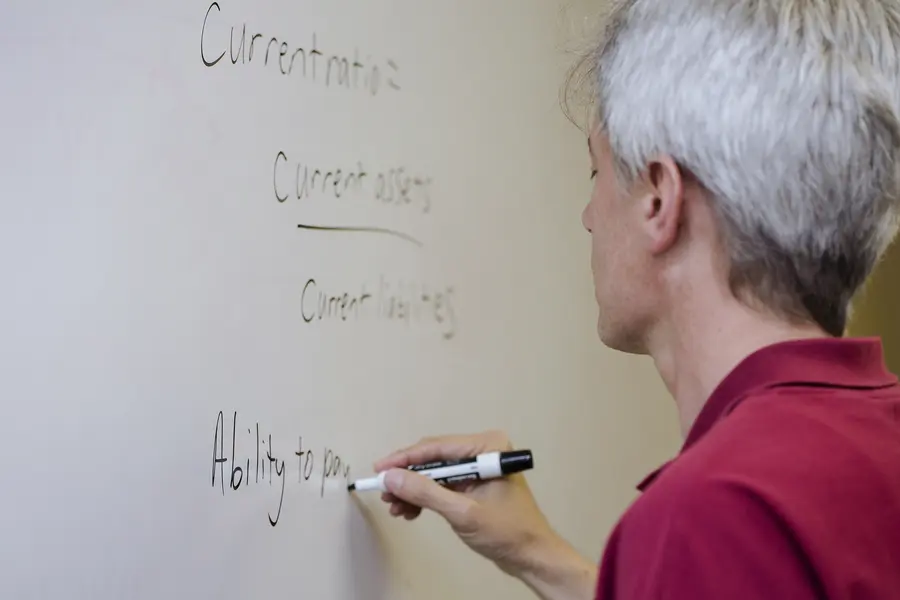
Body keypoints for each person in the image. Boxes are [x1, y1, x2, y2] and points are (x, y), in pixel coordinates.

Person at [371, 1, 900, 599]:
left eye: (594, 173)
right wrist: (539, 556)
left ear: (658, 201)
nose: (589, 217)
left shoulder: (716, 513)